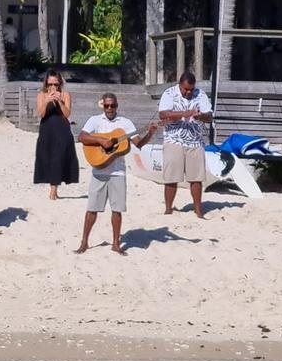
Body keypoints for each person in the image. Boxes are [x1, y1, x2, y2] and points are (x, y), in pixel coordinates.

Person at [75, 92, 157, 256]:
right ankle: (84, 242)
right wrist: (101, 141)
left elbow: (138, 144)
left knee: (117, 209)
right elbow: (82, 137)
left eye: (113, 105)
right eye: (107, 106)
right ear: (103, 106)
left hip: (118, 172)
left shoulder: (125, 123)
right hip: (98, 170)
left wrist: (150, 133)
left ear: (117, 105)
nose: (110, 108)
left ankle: (116, 243)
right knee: (92, 208)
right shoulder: (95, 120)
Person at [158, 70, 213, 218]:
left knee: (196, 178)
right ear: (180, 85)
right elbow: (163, 114)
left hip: (195, 140)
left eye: (191, 89)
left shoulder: (200, 95)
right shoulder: (169, 94)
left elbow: (210, 117)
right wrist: (184, 113)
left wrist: (201, 116)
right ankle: (169, 208)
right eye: (185, 89)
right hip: (173, 139)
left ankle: (198, 210)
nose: (189, 92)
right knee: (171, 177)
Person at [33, 68, 79, 200]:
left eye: (55, 84)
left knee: (58, 158)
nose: (53, 87)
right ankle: (53, 189)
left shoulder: (65, 95)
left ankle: (53, 190)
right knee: (47, 157)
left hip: (62, 129)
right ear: (46, 84)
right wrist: (47, 101)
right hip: (47, 129)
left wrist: (59, 101)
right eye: (50, 84)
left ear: (60, 84)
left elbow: (67, 114)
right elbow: (41, 114)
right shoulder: (41, 95)